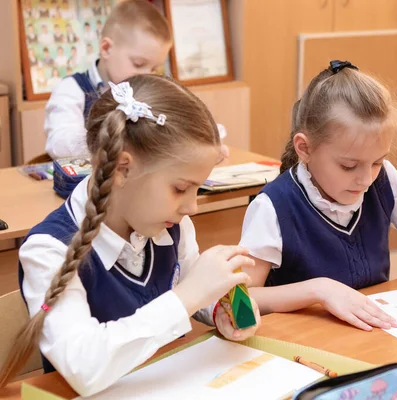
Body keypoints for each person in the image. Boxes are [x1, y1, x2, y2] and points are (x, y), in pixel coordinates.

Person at [0, 74, 260, 396]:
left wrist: (221, 308)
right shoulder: (48, 250)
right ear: (123, 169)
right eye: (180, 188)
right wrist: (189, 297)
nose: (192, 207)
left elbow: (190, 285)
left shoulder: (169, 222)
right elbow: (84, 367)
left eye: (197, 188)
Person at [240, 61, 397, 332]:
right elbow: (243, 299)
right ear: (304, 148)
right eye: (348, 166)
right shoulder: (273, 206)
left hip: (371, 339)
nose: (366, 179)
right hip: (304, 346)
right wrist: (318, 290)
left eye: (377, 162)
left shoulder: (383, 178)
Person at [44, 0, 172, 159]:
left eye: (154, 69)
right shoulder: (72, 89)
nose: (147, 75)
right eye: (138, 64)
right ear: (106, 49)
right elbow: (59, 143)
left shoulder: (146, 92)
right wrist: (113, 142)